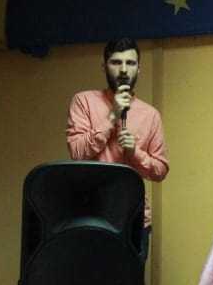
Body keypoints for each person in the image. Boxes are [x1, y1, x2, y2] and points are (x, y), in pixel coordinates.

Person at [66, 38, 169, 256]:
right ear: (104, 66)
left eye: (130, 63)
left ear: (139, 69)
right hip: (89, 215)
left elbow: (160, 171)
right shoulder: (83, 101)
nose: (123, 70)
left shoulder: (151, 115)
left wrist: (135, 153)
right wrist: (112, 116)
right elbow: (77, 153)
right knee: (88, 277)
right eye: (116, 62)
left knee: (130, 279)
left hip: (134, 219)